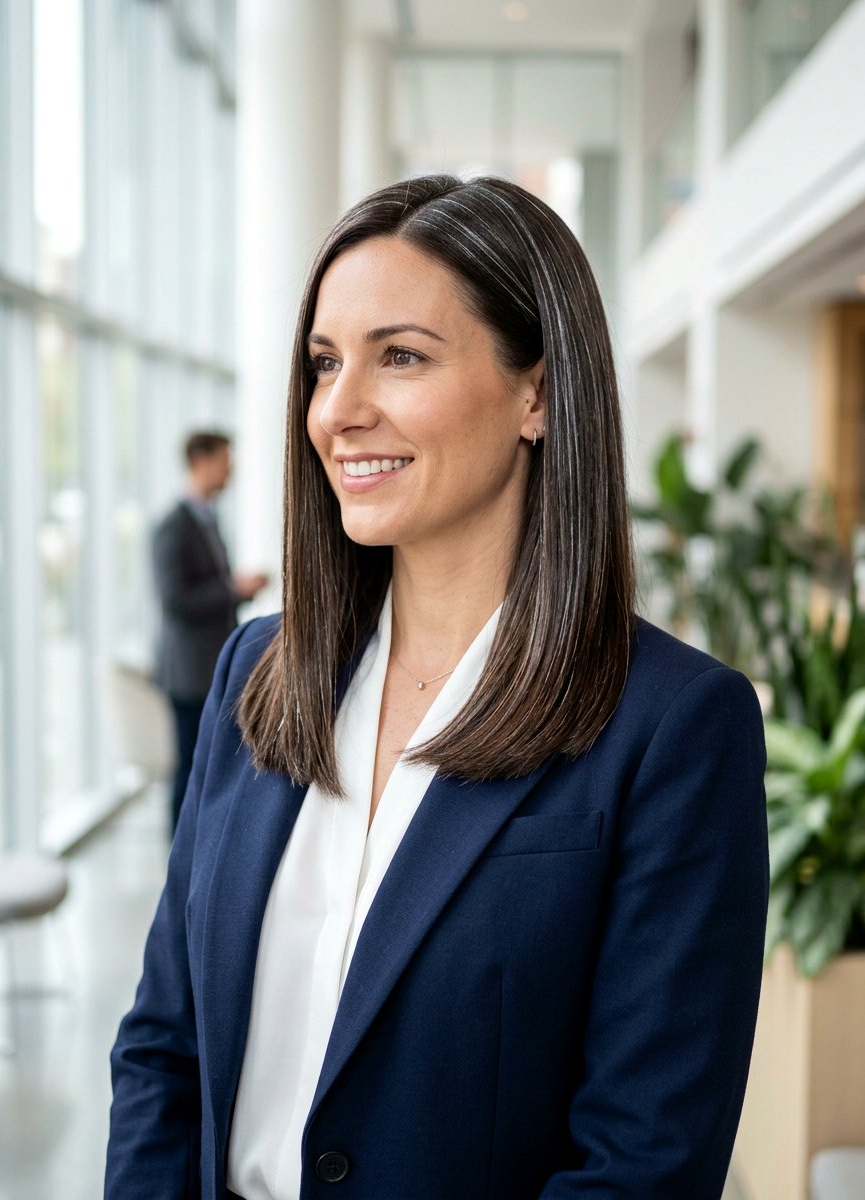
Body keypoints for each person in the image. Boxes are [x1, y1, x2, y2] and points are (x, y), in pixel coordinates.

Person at [107, 176, 768, 1200]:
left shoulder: (673, 728)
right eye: (324, 364)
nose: (338, 410)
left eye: (400, 356)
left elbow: (642, 1163)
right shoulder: (257, 672)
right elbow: (163, 1047)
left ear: (536, 394)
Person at [152, 430, 268, 831]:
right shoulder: (172, 525)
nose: (230, 471)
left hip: (208, 664)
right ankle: (178, 853)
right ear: (201, 462)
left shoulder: (207, 517)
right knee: (189, 766)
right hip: (188, 672)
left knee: (209, 762)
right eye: (225, 461)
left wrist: (235, 590)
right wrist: (233, 589)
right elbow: (175, 600)